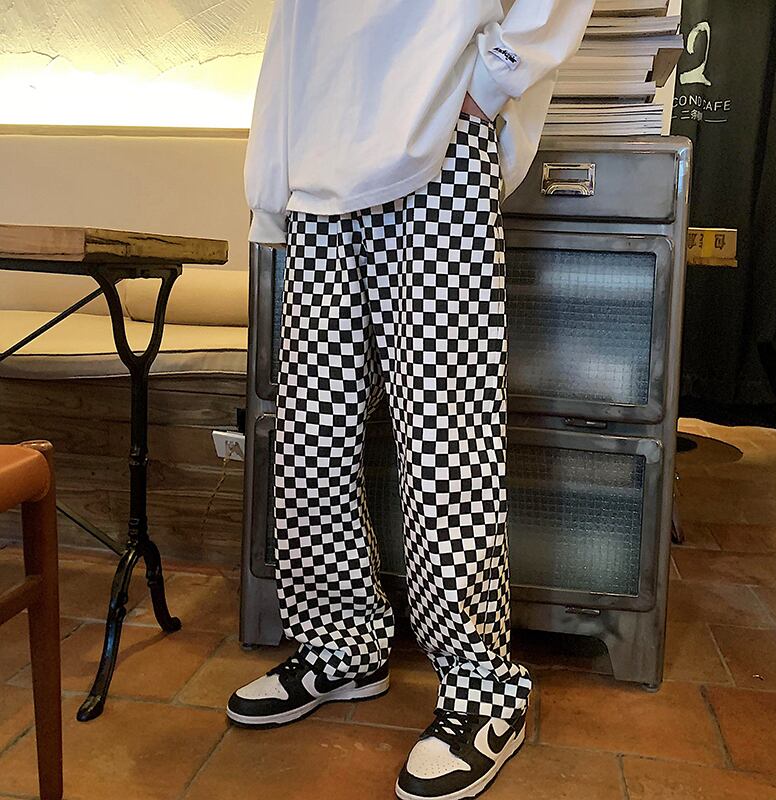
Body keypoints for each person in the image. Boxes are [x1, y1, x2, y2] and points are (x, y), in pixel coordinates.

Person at [228, 3, 593, 798]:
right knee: (310, 445)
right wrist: (271, 183)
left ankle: (484, 689)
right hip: (318, 173)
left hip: (438, 152)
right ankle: (343, 647)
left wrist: (492, 81)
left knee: (445, 445)